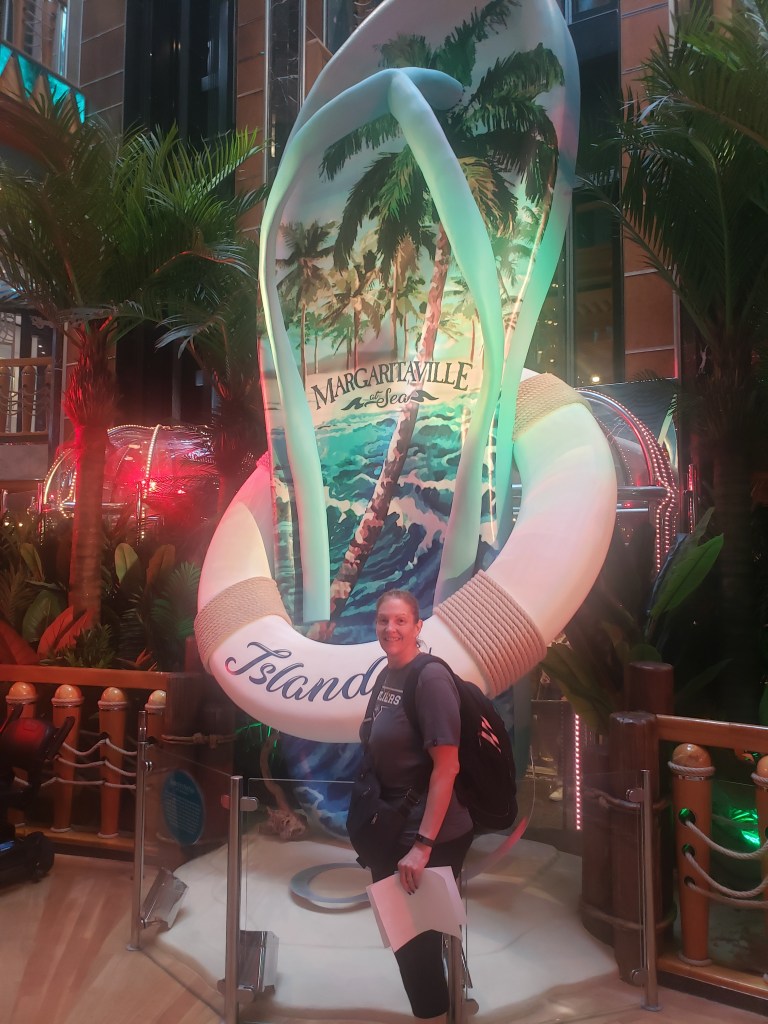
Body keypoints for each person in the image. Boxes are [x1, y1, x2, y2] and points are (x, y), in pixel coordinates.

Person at [365, 589, 474, 1022]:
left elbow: (447, 767)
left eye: (400, 621)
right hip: (395, 827)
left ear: (418, 626)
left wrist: (423, 845)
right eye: (383, 620)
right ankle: (440, 1010)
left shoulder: (429, 680)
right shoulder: (387, 675)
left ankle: (436, 1015)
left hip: (429, 834)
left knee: (416, 947)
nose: (390, 629)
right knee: (409, 942)